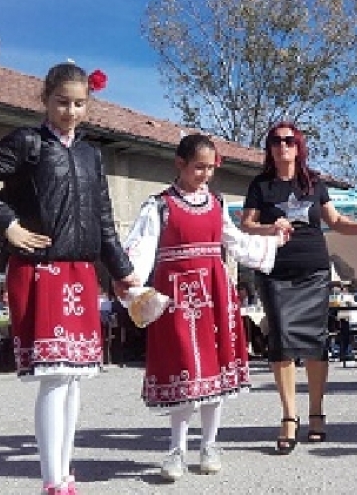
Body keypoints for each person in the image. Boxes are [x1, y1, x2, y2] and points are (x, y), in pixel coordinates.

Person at [0, 62, 139, 495]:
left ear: (88, 105)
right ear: (45, 100)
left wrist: (122, 272)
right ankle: (52, 481)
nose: (70, 112)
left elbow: (103, 219)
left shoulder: (92, 154)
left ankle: (64, 472)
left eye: (78, 104)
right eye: (62, 102)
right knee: (55, 375)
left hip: (80, 272)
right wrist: (8, 224)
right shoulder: (26, 143)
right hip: (40, 269)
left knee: (75, 377)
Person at [123, 133, 287, 480]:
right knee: (183, 370)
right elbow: (141, 247)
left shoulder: (216, 203)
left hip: (215, 294)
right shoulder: (160, 205)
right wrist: (133, 281)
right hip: (177, 299)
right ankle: (176, 449)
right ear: (180, 164)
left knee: (216, 372)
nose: (205, 175)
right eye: (199, 167)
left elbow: (235, 241)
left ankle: (210, 444)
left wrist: (271, 239)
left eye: (210, 168)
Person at [240, 121, 357, 453]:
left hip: (314, 270)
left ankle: (317, 412)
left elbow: (335, 222)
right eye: (275, 141)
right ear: (270, 148)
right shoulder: (260, 186)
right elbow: (246, 225)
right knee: (280, 341)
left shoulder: (313, 183)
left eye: (289, 140)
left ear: (298, 146)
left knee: (315, 341)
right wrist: (269, 227)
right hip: (275, 272)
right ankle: (289, 417)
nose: (282, 146)